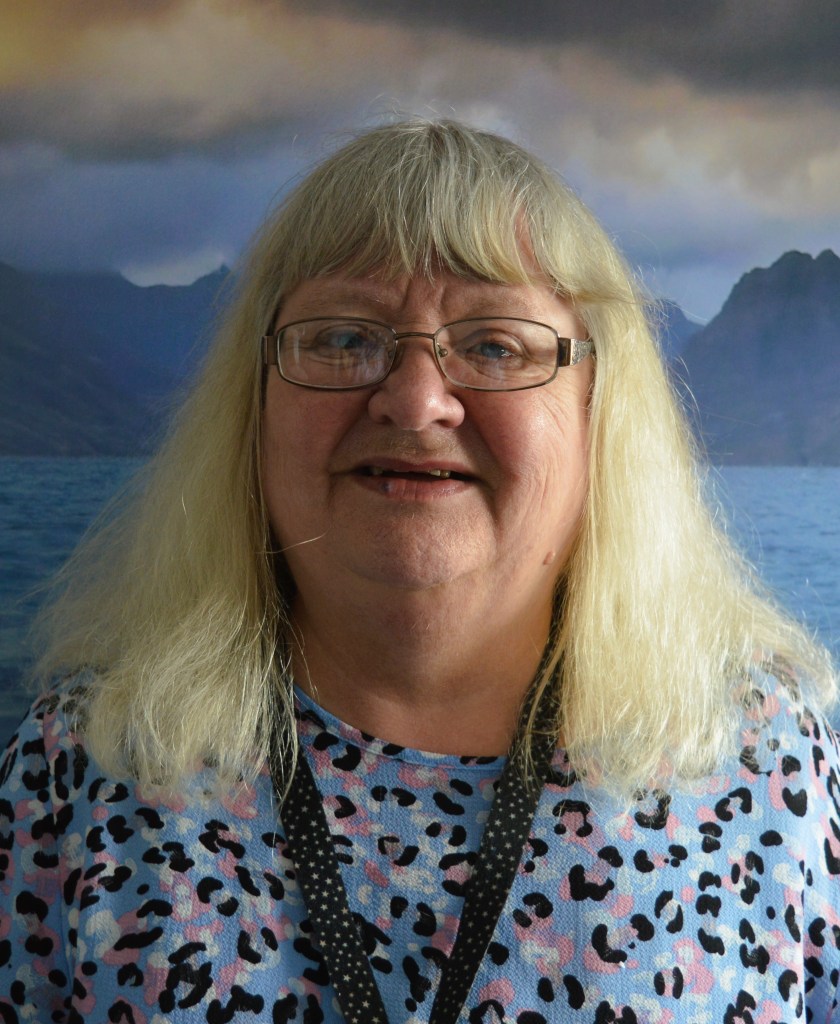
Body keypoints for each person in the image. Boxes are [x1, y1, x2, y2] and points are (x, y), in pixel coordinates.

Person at [1, 120, 838, 1024]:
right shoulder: (83, 765)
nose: (414, 399)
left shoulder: (762, 757)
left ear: (602, 412)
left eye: (495, 346)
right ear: (255, 403)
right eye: (341, 338)